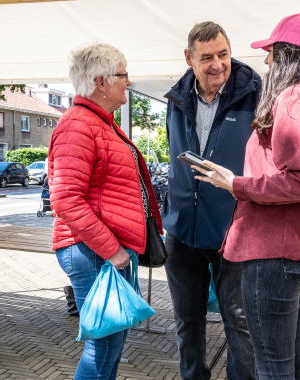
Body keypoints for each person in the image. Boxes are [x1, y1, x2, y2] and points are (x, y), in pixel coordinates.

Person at [193, 13, 300, 379]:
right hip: (292, 255)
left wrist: (236, 184)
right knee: (291, 366)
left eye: (271, 52)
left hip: (273, 255)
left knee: (272, 369)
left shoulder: (293, 99)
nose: (265, 61)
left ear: (287, 55)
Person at [48, 42, 162, 380]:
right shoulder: (79, 126)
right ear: (102, 82)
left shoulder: (100, 123)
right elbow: (67, 199)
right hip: (93, 252)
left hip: (105, 252)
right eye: (124, 75)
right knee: (102, 346)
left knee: (112, 344)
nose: (128, 82)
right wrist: (112, 250)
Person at [162, 21, 260, 380]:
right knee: (186, 321)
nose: (217, 64)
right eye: (207, 58)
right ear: (189, 59)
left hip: (232, 230)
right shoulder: (176, 98)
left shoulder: (257, 94)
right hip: (182, 232)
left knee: (240, 324)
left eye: (223, 54)